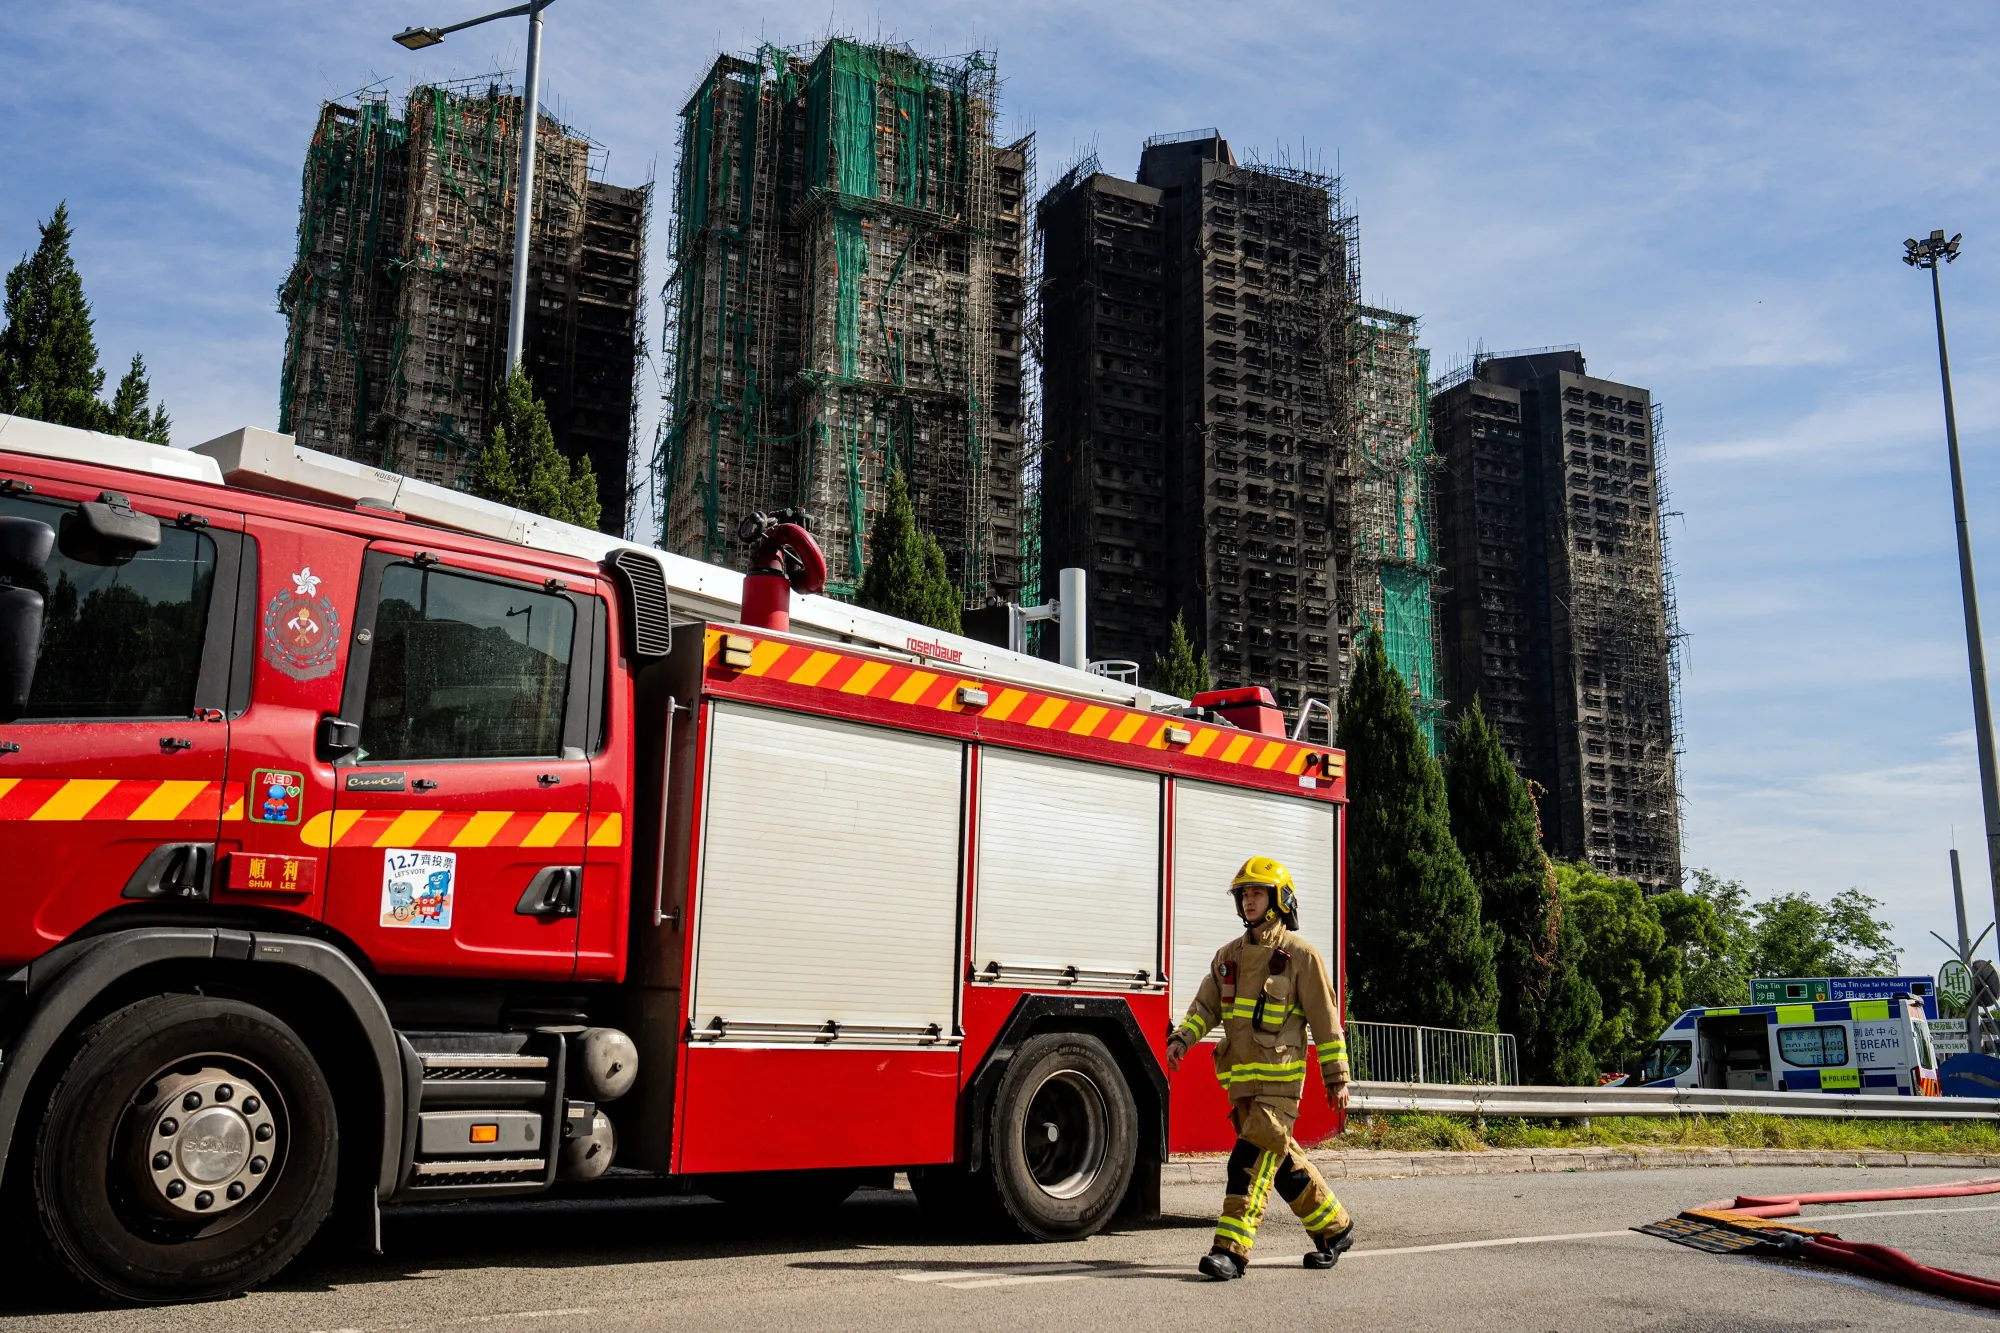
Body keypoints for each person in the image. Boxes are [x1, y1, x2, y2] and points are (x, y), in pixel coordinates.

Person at [1168, 856, 1354, 1280]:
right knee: (1283, 1165)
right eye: (1244, 894)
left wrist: (1337, 1078)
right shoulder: (1227, 957)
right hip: (1242, 1086)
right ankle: (1335, 1228)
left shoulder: (1300, 956)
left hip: (1279, 1087)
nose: (1248, 901)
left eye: (1257, 893)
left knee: (1246, 1164)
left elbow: (1326, 1021)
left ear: (1279, 900)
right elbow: (1205, 1009)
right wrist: (1182, 1039)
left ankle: (1230, 1252)